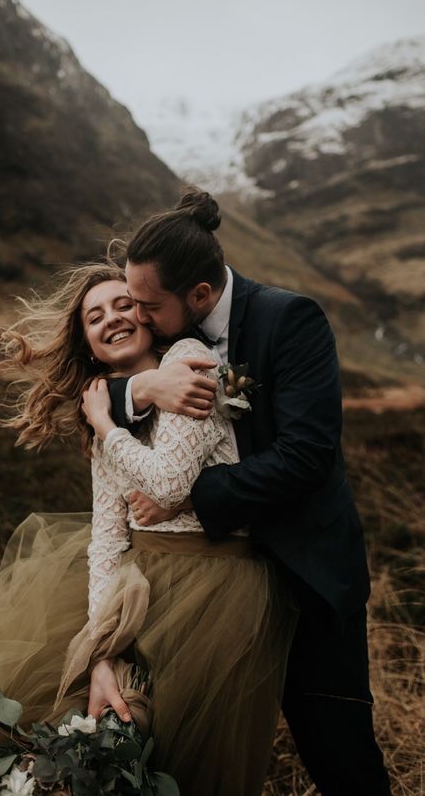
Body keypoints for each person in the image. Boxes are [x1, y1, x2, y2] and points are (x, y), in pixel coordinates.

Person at [0, 261, 295, 796]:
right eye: (95, 316)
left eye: (123, 305)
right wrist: (100, 649)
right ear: (87, 342)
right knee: (95, 744)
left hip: (216, 587)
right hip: (142, 586)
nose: (112, 319)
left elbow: (166, 483)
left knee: (187, 759)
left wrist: (110, 426)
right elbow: (108, 538)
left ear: (148, 314)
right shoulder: (103, 412)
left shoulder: (187, 360)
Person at [105, 186, 392, 795]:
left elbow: (306, 457)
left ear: (201, 295)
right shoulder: (161, 332)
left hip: (304, 574)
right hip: (209, 589)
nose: (135, 316)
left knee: (338, 753)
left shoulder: (290, 319)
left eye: (147, 305)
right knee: (193, 756)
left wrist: (189, 494)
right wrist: (142, 391)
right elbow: (102, 386)